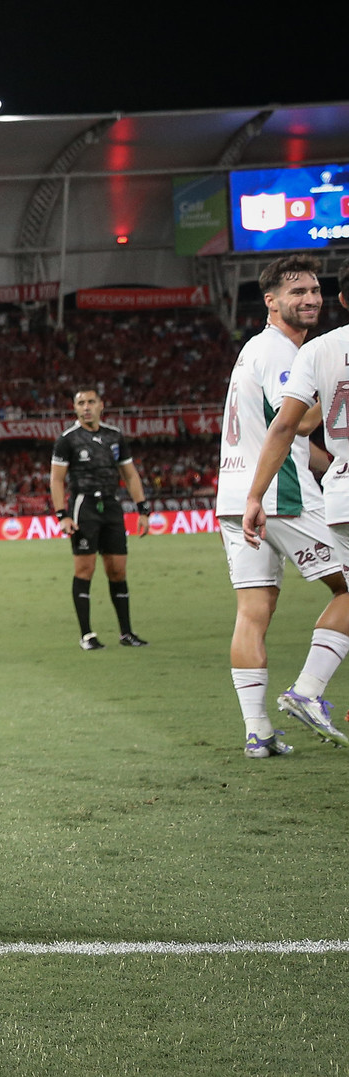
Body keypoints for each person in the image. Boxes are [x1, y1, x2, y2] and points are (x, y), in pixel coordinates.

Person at [232, 255, 349, 754]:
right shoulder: (283, 351)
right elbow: (294, 422)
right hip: (280, 493)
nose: (309, 299)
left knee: (253, 610)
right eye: (297, 291)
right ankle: (307, 690)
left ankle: (257, 731)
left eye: (315, 290)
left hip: (235, 494)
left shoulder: (255, 349)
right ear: (271, 301)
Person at [49, 389, 150, 650]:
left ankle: (126, 633)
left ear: (101, 405)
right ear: (75, 408)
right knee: (85, 570)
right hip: (84, 507)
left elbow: (130, 475)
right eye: (81, 403)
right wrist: (62, 515)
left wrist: (143, 510)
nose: (86, 407)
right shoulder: (67, 440)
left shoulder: (114, 436)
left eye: (91, 402)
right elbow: (57, 480)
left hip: (112, 507)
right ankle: (87, 635)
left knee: (117, 570)